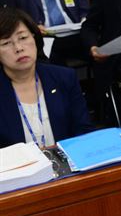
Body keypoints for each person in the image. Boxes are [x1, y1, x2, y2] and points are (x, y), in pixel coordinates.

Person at [0, 8, 92, 148]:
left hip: (67, 164)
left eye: (23, 38)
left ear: (35, 38)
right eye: (6, 43)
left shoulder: (64, 78)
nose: (18, 48)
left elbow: (83, 131)